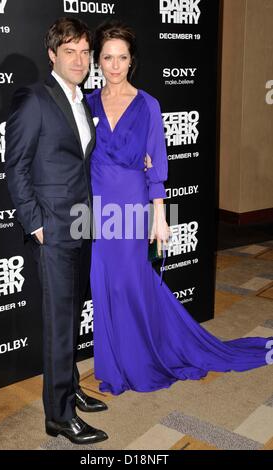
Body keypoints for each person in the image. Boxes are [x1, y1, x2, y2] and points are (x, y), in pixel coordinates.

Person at [86, 21, 273, 396]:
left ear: (131, 61)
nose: (115, 65)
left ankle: (141, 361)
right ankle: (114, 365)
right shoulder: (86, 102)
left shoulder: (148, 105)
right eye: (108, 57)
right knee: (105, 284)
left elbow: (157, 163)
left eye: (122, 57)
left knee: (133, 283)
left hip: (135, 207)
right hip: (99, 209)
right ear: (98, 61)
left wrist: (159, 215)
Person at [5, 17, 108, 445]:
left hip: (81, 224)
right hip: (53, 229)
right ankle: (59, 416)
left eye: (85, 52)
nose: (80, 60)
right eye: (70, 51)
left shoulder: (81, 100)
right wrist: (36, 223)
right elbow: (16, 167)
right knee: (59, 322)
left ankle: (69, 386)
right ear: (52, 55)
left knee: (72, 312)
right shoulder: (35, 99)